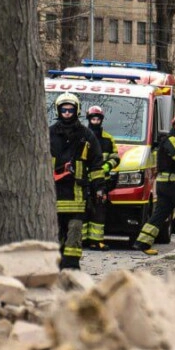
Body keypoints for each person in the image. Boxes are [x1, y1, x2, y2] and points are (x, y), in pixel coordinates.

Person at [49, 92, 105, 269]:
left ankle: (72, 266)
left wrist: (99, 188)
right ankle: (55, 266)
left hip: (77, 193)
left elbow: (96, 163)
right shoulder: (48, 133)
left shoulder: (86, 135)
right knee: (55, 233)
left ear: (76, 110)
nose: (67, 113)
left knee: (74, 232)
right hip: (53, 193)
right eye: (63, 110)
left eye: (70, 110)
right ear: (58, 111)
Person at [132, 112, 175, 253]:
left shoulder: (170, 140)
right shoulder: (173, 140)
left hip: (165, 184)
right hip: (174, 184)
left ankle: (142, 243)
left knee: (160, 214)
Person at [83, 105, 121, 250]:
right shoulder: (82, 136)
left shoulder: (108, 139)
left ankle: (95, 241)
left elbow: (115, 157)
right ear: (88, 119)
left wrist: (107, 166)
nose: (95, 120)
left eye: (98, 118)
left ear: (102, 119)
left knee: (99, 211)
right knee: (83, 209)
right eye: (93, 118)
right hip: (84, 180)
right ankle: (81, 240)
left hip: (101, 180)